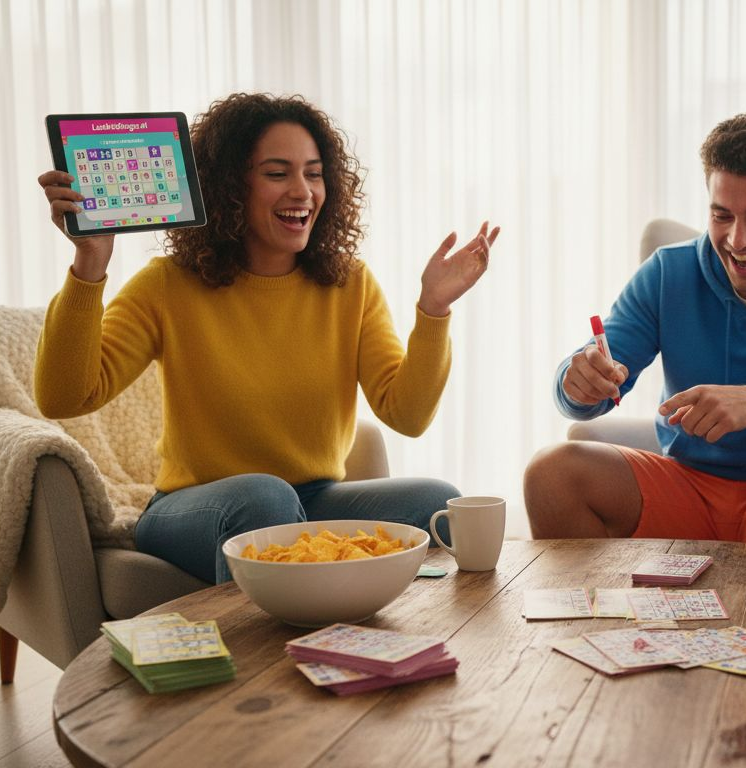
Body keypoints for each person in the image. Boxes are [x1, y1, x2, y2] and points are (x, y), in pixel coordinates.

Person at [35, 93, 500, 584]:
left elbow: (407, 414)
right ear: (230, 187)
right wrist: (90, 265)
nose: (302, 191)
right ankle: (267, 653)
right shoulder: (168, 283)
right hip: (195, 508)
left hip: (313, 497)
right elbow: (65, 396)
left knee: (436, 503)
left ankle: (351, 624)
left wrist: (433, 309)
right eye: (277, 174)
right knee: (264, 498)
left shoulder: (350, 284)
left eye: (314, 173)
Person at [524, 111, 746, 541]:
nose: (738, 240)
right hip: (687, 490)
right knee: (550, 475)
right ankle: (599, 609)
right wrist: (577, 384)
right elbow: (595, 380)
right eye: (722, 215)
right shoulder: (667, 273)